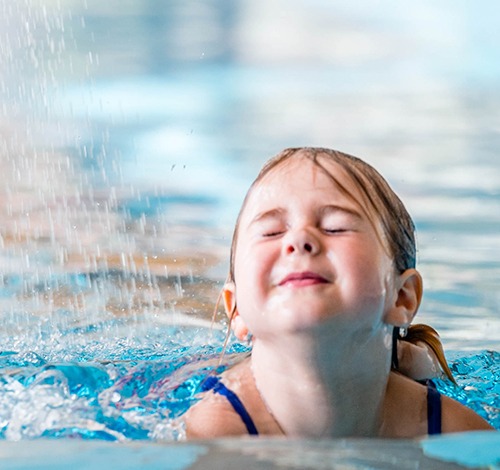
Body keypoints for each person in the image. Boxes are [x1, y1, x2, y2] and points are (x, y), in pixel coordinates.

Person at [184, 147, 493, 438]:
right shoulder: (219, 430)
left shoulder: (455, 430)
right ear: (236, 310)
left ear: (401, 298)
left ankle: (410, 357)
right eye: (272, 232)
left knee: (419, 367)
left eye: (335, 227)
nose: (299, 239)